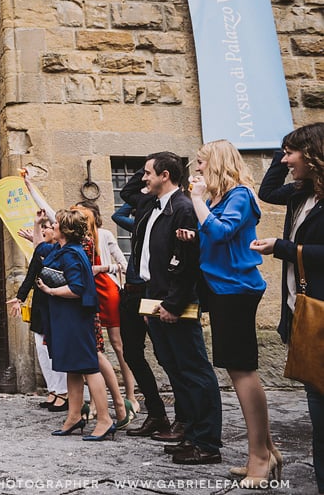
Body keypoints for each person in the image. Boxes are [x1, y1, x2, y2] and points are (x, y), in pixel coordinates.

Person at [171, 139, 274, 487]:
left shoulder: (240, 196)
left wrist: (198, 202)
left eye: (201, 162)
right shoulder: (221, 199)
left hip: (237, 290)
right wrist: (194, 235)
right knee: (237, 368)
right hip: (221, 288)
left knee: (243, 371)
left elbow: (223, 231)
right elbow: (214, 237)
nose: (197, 169)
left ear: (215, 163)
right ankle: (267, 451)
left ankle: (259, 456)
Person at [131, 151, 222, 465]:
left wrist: (172, 303)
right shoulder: (157, 205)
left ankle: (207, 443)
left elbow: (186, 262)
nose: (143, 178)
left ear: (164, 175)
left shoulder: (183, 208)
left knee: (194, 371)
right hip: (154, 296)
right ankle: (191, 434)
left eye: (147, 173)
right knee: (175, 369)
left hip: (173, 300)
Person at [253, 122, 324, 494]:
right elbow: (268, 191)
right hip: (301, 313)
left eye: (290, 153)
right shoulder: (301, 193)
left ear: (313, 154)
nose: (284, 160)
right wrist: (281, 146)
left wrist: (281, 247)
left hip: (322, 315)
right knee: (317, 412)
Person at [33, 208, 115, 441]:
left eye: (56, 224)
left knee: (89, 367)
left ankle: (104, 419)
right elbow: (39, 248)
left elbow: (77, 288)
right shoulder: (62, 249)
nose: (53, 226)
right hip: (64, 317)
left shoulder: (71, 254)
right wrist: (37, 224)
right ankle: (74, 416)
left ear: (66, 230)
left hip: (75, 318)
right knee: (72, 367)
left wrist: (51, 290)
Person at [119, 169, 178, 439]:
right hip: (131, 291)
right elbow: (126, 193)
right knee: (132, 353)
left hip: (150, 291)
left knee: (166, 354)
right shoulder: (144, 203)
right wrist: (145, 166)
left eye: (149, 174)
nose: (144, 179)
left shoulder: (176, 206)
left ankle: (185, 417)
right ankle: (156, 414)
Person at [75, 199, 139, 418]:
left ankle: (130, 396)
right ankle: (95, 401)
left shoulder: (105, 235)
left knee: (119, 345)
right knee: (93, 348)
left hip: (106, 289)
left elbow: (123, 264)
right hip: (86, 293)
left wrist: (102, 267)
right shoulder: (77, 239)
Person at [9, 217, 68, 412]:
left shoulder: (61, 251)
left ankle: (63, 392)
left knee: (54, 350)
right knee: (42, 351)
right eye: (42, 228)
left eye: (48, 227)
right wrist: (19, 298)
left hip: (56, 303)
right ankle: (53, 390)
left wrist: (35, 231)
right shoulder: (40, 252)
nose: (44, 230)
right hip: (40, 304)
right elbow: (30, 276)